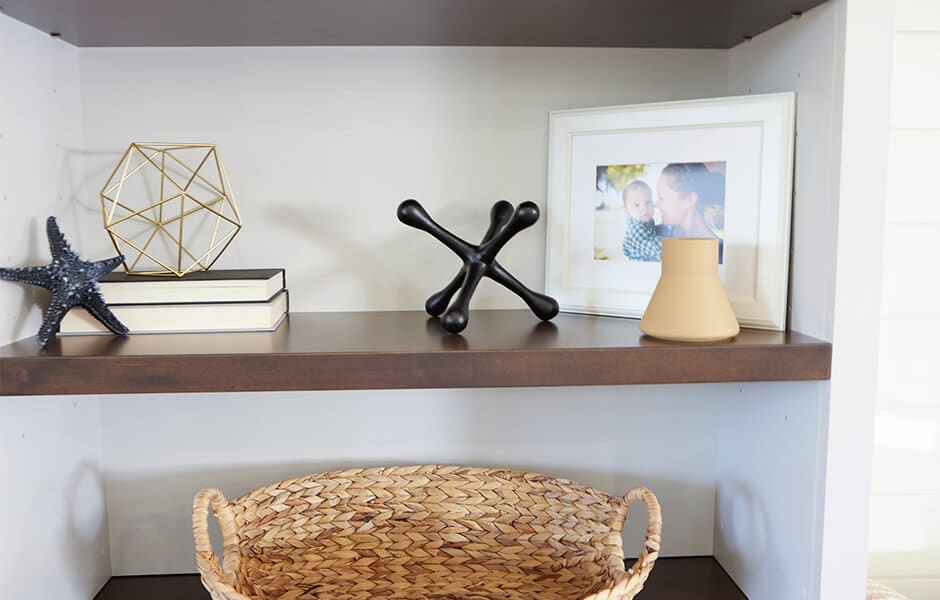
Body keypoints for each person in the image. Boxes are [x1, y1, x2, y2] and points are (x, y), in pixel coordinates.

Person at [656, 162, 726, 261]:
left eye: (662, 198)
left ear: (690, 200)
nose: (656, 205)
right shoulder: (653, 236)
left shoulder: (722, 253)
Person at [620, 180, 662, 262]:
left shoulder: (646, 220)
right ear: (627, 211)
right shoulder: (636, 231)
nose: (644, 208)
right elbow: (660, 250)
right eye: (637, 205)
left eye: (648, 202)